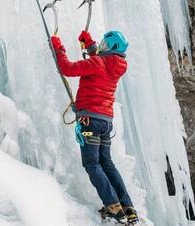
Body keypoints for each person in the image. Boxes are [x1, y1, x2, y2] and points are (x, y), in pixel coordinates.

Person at [51, 31, 139, 224]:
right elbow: (100, 61)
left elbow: (67, 68)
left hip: (90, 120)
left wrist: (58, 47)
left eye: (105, 44)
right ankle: (128, 207)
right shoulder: (115, 65)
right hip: (105, 121)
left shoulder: (99, 63)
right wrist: (89, 44)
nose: (101, 46)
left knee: (92, 164)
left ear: (110, 47)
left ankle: (113, 207)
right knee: (106, 163)